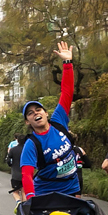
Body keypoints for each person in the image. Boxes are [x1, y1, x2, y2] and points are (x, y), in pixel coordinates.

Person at [20, 42, 79, 199]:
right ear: (27, 122)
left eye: (38, 110)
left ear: (46, 113)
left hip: (72, 188)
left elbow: (67, 92)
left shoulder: (58, 121)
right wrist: (31, 200)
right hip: (46, 193)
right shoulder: (31, 144)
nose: (36, 114)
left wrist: (67, 64)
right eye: (30, 113)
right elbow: (27, 175)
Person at [7, 134, 25, 204]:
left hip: (16, 174)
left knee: (15, 191)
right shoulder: (28, 149)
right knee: (24, 191)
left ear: (17, 140)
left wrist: (11, 165)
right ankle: (24, 206)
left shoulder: (13, 150)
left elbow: (8, 160)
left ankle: (18, 202)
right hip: (26, 174)